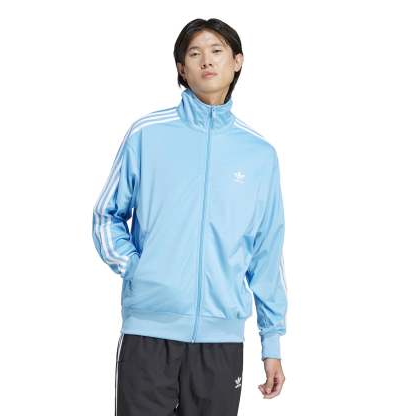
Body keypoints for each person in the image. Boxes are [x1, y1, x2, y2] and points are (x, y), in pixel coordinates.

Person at [92, 17, 287, 416]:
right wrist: (139, 269)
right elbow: (106, 215)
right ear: (182, 69)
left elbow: (267, 250)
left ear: (237, 61)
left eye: (216, 51)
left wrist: (272, 342)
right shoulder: (147, 134)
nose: (206, 61)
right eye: (194, 54)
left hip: (222, 338)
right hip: (149, 331)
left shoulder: (259, 154)